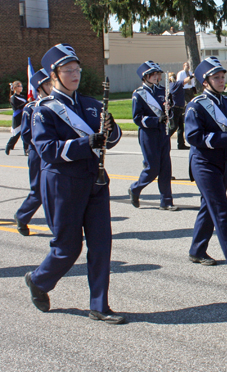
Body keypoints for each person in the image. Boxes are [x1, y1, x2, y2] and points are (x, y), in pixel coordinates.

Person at [25, 43, 125, 324]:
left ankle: (99, 305)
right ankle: (38, 281)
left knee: (101, 244)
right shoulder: (43, 110)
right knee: (68, 248)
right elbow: (47, 150)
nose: (74, 74)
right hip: (63, 184)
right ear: (53, 75)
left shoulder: (92, 105)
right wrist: (86, 143)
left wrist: (110, 129)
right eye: (67, 70)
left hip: (96, 181)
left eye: (77, 69)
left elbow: (111, 139)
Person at [184, 57, 227, 274]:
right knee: (221, 209)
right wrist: (225, 138)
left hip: (222, 162)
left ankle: (197, 249)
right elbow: (193, 136)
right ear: (205, 81)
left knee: (208, 207)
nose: (221, 81)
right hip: (204, 162)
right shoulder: (196, 105)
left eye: (222, 77)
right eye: (216, 78)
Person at [128, 61, 178, 210]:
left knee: (165, 168)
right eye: (153, 74)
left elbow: (170, 113)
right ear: (145, 77)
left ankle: (166, 201)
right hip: (148, 134)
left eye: (158, 74)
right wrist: (156, 120)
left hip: (163, 133)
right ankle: (135, 189)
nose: (157, 77)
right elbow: (137, 118)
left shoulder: (163, 91)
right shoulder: (139, 94)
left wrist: (170, 108)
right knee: (153, 168)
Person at [14, 69, 52, 236]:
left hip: (54, 152)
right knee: (38, 191)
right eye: (47, 84)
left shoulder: (56, 104)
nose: (51, 86)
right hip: (38, 153)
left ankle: (60, 228)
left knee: (54, 191)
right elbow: (26, 134)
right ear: (39, 88)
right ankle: (22, 216)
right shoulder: (31, 107)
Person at [168, 71, 192, 150]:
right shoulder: (176, 84)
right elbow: (185, 81)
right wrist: (192, 76)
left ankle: (181, 144)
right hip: (175, 108)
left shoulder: (172, 85)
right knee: (174, 127)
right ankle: (163, 139)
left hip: (179, 108)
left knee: (181, 128)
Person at [5, 81, 28, 155]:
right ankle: (9, 146)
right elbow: (17, 107)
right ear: (15, 88)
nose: (21, 87)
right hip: (17, 118)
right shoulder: (13, 98)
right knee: (16, 135)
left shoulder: (22, 96)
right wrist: (27, 103)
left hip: (23, 116)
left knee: (25, 133)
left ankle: (26, 149)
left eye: (21, 86)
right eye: (19, 86)